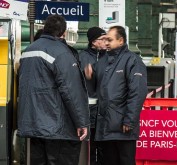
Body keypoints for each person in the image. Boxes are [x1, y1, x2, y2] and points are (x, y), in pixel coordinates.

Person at [17, 15, 90, 165]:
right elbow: (71, 91)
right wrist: (81, 122)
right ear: (63, 33)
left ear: (45, 28)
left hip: (34, 124)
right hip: (58, 128)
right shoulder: (61, 53)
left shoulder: (28, 51)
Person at [85, 25, 147, 165]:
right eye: (105, 39)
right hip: (106, 128)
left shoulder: (133, 61)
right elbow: (95, 78)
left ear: (121, 41)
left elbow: (137, 92)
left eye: (110, 40)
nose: (106, 42)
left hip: (123, 127)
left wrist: (129, 120)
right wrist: (90, 74)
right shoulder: (103, 61)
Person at [78, 26, 107, 164]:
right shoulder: (83, 57)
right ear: (94, 42)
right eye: (102, 39)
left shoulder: (108, 56)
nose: (105, 42)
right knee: (90, 147)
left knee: (104, 148)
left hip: (105, 110)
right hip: (89, 109)